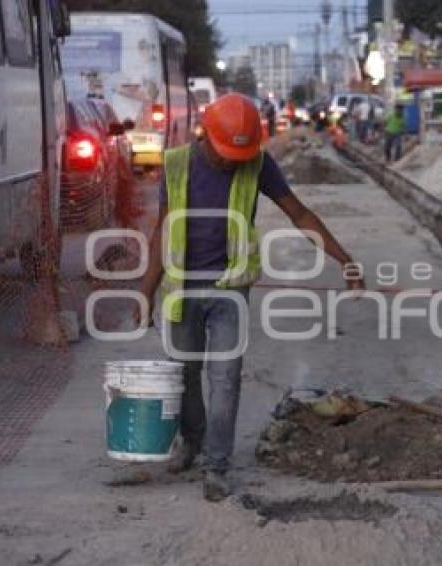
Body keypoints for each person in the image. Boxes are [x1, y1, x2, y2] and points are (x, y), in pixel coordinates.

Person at [136, 93, 364, 502]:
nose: (232, 161)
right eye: (227, 153)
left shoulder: (257, 163)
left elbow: (300, 214)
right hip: (179, 291)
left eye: (239, 153)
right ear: (205, 134)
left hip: (229, 291)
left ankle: (217, 465)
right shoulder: (174, 163)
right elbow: (163, 232)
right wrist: (143, 292)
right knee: (183, 376)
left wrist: (344, 259)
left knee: (225, 380)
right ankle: (192, 443)